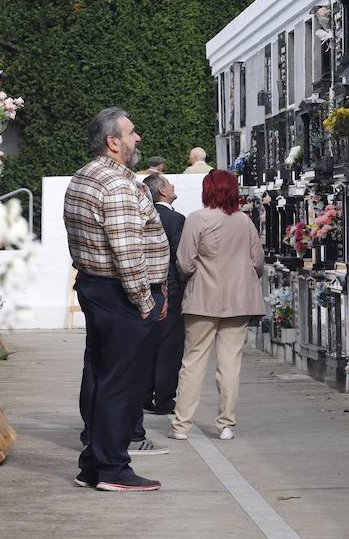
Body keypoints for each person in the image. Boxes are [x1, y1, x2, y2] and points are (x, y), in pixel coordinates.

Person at [63, 106, 170, 492]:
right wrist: (147, 301)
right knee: (122, 383)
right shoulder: (118, 185)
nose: (137, 138)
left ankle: (93, 465)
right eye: (131, 132)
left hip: (96, 286)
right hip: (122, 294)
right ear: (113, 142)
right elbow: (128, 253)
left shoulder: (84, 176)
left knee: (102, 375)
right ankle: (113, 469)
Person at [168, 170, 265, 442]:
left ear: (207, 190)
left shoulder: (197, 220)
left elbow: (184, 262)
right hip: (238, 301)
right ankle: (226, 424)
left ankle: (182, 425)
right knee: (230, 364)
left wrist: (195, 275)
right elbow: (257, 261)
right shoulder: (244, 222)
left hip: (202, 300)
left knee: (193, 362)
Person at [141, 173, 186, 415]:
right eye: (169, 184)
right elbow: (180, 258)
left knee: (147, 343)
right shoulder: (175, 219)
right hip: (169, 287)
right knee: (169, 346)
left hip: (141, 286)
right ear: (162, 191)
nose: (173, 186)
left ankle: (145, 394)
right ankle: (165, 398)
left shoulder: (141, 215)